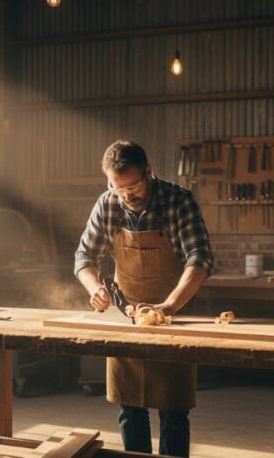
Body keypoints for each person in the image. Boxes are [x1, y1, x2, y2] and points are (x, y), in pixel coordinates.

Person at [74, 140, 214, 457]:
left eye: (133, 186)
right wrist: (94, 287)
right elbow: (84, 257)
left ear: (149, 173)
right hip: (129, 317)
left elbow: (200, 259)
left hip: (173, 315)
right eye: (117, 186)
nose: (126, 194)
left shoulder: (178, 201)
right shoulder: (108, 203)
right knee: (130, 407)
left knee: (173, 410)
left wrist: (168, 306)